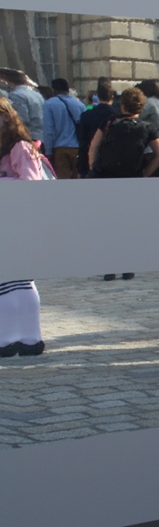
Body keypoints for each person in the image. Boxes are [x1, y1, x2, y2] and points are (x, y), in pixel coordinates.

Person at [0, 98, 46, 357]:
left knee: (13, 279)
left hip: (16, 221)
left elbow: (32, 184)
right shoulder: (8, 148)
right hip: (7, 219)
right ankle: (22, 339)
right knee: (13, 280)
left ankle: (21, 339)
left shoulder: (20, 147)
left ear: (7, 116)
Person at [42, 77, 85, 179]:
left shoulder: (49, 104)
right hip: (77, 148)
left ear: (54, 90)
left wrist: (48, 151)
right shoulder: (80, 104)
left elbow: (48, 130)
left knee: (62, 181)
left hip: (59, 148)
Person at [77, 80, 118, 178]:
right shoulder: (117, 116)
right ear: (112, 97)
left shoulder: (86, 115)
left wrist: (81, 168)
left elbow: (82, 143)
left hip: (89, 162)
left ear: (98, 96)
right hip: (112, 163)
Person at [0, 68, 45, 144]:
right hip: (41, 136)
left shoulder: (16, 95)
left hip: (28, 137)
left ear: (5, 79)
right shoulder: (36, 94)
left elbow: (22, 119)